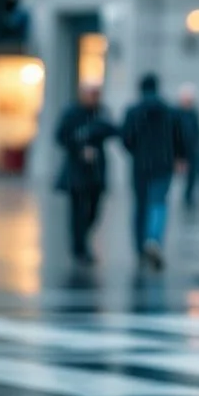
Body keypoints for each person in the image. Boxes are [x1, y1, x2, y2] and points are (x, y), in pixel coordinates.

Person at [120, 74, 187, 269]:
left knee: (140, 206)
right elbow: (180, 137)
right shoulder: (170, 111)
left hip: (140, 165)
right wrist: (179, 156)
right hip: (163, 164)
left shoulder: (133, 111)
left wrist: (137, 152)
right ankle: (154, 238)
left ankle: (141, 248)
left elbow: (126, 138)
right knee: (158, 203)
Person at [54, 84, 116, 264]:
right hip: (77, 171)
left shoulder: (101, 113)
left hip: (96, 171)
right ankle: (79, 247)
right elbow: (60, 137)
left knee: (94, 211)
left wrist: (93, 131)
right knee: (77, 212)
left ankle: (82, 240)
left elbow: (112, 130)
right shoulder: (72, 113)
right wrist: (79, 147)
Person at [174, 84, 199, 208]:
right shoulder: (177, 112)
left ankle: (188, 196)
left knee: (191, 174)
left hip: (191, 148)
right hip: (179, 148)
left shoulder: (194, 112)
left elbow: (197, 129)